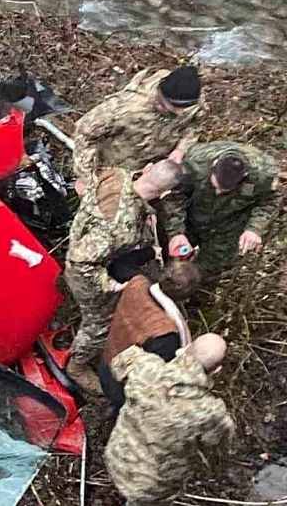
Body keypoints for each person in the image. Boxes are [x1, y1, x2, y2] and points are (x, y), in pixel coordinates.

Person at [64, 159, 183, 393]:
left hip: (86, 240)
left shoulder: (117, 174)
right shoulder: (118, 228)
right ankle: (76, 366)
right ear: (165, 192)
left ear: (148, 168)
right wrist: (110, 285)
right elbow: (81, 260)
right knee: (99, 322)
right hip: (86, 272)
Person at [105, 333, 236, 506]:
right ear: (217, 370)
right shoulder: (211, 413)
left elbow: (117, 363)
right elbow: (218, 452)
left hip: (115, 458)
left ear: (185, 349)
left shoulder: (145, 367)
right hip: (151, 488)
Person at [162, 141, 280, 281]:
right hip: (192, 214)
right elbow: (175, 197)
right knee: (171, 253)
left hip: (228, 226)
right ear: (213, 167)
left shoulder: (263, 176)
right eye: (216, 186)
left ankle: (191, 292)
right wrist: (176, 232)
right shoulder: (195, 163)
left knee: (207, 269)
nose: (218, 192)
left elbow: (268, 203)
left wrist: (254, 229)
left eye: (225, 190)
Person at [98, 259, 201, 412]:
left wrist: (151, 252)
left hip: (106, 364)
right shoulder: (165, 333)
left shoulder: (137, 283)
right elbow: (160, 379)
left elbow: (121, 265)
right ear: (186, 298)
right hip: (123, 389)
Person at [73, 66, 204, 182]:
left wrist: (181, 148)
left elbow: (196, 124)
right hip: (112, 169)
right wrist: (89, 179)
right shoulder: (125, 107)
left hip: (154, 169)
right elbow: (84, 135)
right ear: (162, 97)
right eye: (175, 107)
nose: (181, 113)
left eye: (186, 107)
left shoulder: (191, 98)